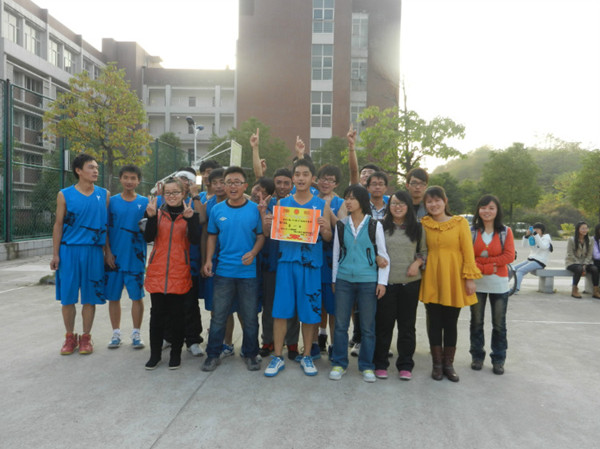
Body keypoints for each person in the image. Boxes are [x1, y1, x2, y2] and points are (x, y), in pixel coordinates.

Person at [263, 158, 333, 377]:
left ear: (313, 179)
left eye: (305, 174)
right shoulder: (282, 204)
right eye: (298, 174)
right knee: (280, 312)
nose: (301, 178)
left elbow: (328, 236)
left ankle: (307, 355)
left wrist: (324, 228)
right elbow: (269, 234)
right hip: (286, 263)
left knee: (309, 313)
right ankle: (277, 356)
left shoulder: (321, 205)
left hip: (311, 265)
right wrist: (267, 224)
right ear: (293, 178)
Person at [201, 167, 265, 372]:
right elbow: (212, 236)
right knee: (219, 316)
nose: (233, 186)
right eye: (229, 182)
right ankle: (213, 354)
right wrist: (208, 259)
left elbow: (261, 236)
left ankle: (251, 354)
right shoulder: (217, 210)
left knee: (250, 317)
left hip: (248, 273)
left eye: (237, 182)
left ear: (245, 186)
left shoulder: (255, 209)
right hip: (223, 272)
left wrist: (253, 252)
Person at [419, 186, 481, 382]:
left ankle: (448, 364)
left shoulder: (459, 223)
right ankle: (437, 364)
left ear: (445, 201)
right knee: (434, 322)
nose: (434, 204)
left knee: (451, 323)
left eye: (437, 200)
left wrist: (469, 278)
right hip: (431, 276)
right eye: (429, 201)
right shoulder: (423, 224)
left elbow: (468, 251)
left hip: (454, 277)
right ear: (425, 205)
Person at [329, 185, 389, 382]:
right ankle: (339, 363)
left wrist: (382, 282)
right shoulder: (341, 225)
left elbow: (383, 255)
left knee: (368, 326)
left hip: (368, 281)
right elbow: (336, 255)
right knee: (340, 325)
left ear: (362, 201)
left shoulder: (374, 225)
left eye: (352, 198)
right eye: (346, 198)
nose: (348, 202)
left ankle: (366, 366)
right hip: (344, 280)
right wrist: (334, 280)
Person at [50, 153, 109, 355]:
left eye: (97, 168)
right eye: (91, 167)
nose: (95, 171)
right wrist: (55, 254)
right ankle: (69, 337)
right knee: (68, 298)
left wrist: (107, 252)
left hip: (93, 251)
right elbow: (58, 225)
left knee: (89, 298)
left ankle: (86, 337)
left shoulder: (104, 195)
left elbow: (106, 226)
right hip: (69, 251)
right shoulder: (64, 194)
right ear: (78, 171)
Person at [143, 178, 200, 370]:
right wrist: (151, 217)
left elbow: (195, 240)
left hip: (179, 270)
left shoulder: (189, 214)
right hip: (158, 271)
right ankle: (155, 355)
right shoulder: (156, 213)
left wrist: (191, 220)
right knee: (156, 315)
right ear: (162, 195)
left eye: (176, 192)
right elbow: (148, 237)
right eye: (168, 193)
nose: (172, 196)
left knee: (178, 316)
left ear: (183, 194)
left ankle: (176, 354)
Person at [373, 191, 426, 381]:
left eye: (402, 203)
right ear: (389, 205)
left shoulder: (417, 228)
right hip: (386, 284)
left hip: (409, 284)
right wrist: (377, 258)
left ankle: (405, 365)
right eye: (394, 203)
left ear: (408, 206)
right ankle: (380, 364)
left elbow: (424, 251)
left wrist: (417, 263)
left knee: (407, 326)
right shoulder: (379, 226)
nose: (398, 207)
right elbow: (372, 249)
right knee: (383, 326)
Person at [469, 195, 515, 375]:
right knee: (476, 322)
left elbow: (509, 256)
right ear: (478, 210)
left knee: (499, 324)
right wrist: (489, 267)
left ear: (497, 211)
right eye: (483, 207)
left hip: (499, 284)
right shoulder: (471, 231)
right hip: (477, 284)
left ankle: (498, 359)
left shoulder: (505, 231)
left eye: (491, 208)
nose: (486, 211)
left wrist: (481, 264)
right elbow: (467, 257)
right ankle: (477, 356)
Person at [104, 165, 148, 349]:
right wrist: (107, 252)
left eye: (133, 178)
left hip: (135, 258)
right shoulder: (111, 202)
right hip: (114, 259)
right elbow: (105, 228)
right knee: (113, 297)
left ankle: (136, 333)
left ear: (138, 181)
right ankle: (116, 333)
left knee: (137, 297)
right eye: (126, 177)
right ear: (120, 179)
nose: (129, 181)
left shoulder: (145, 202)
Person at [315, 164, 344, 354]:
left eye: (331, 180)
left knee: (333, 305)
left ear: (336, 184)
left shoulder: (341, 202)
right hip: (313, 257)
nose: (326, 183)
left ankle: (335, 345)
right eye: (323, 179)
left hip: (333, 260)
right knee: (317, 304)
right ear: (317, 180)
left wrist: (327, 210)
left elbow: (342, 227)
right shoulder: (309, 199)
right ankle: (318, 338)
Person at [513, 223, 552, 293]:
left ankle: (515, 289)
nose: (535, 230)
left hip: (539, 262)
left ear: (542, 230)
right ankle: (504, 286)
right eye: (534, 229)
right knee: (513, 269)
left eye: (537, 229)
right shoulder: (534, 237)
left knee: (520, 271)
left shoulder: (546, 238)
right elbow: (524, 246)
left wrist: (536, 235)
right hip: (530, 260)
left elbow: (543, 246)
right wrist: (526, 236)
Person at [565, 221, 600, 299]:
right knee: (579, 268)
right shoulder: (571, 240)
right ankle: (574, 290)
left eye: (586, 228)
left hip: (585, 262)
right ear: (578, 229)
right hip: (572, 262)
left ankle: (596, 291)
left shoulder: (590, 240)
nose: (585, 230)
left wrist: (585, 264)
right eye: (583, 228)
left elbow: (589, 255)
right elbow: (570, 254)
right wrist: (580, 264)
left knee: (595, 269)